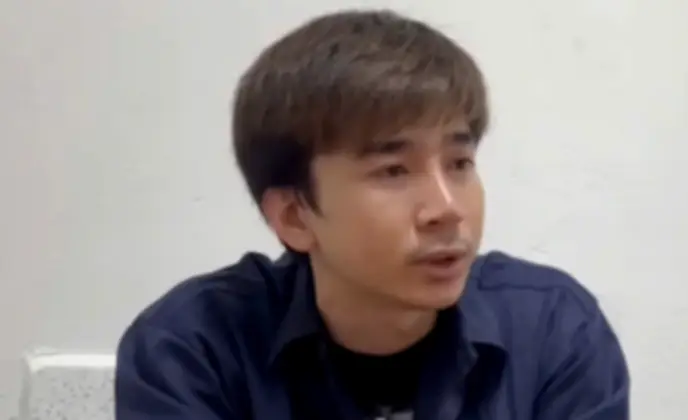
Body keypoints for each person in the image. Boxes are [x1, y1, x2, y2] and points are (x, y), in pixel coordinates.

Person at [114, 8, 629, 420]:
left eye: (460, 163)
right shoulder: (192, 348)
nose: (447, 209)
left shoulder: (554, 330)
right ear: (294, 217)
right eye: (393, 171)